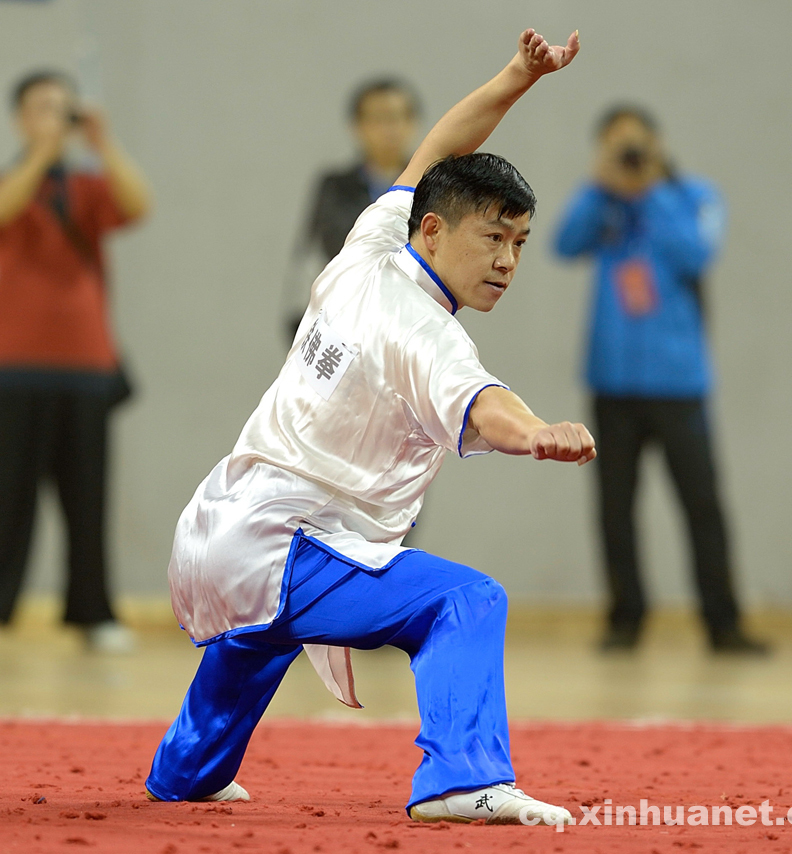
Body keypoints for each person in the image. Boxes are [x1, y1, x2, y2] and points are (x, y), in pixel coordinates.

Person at [146, 28, 589, 827]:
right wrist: (538, 432)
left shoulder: (373, 240)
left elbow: (440, 148)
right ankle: (461, 778)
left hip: (226, 525)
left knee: (260, 633)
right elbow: (486, 405)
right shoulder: (425, 331)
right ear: (434, 232)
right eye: (491, 238)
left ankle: (185, 770)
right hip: (288, 540)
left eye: (519, 242)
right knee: (464, 600)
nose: (507, 262)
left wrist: (518, 75)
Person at [553, 105, 768, 655]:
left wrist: (650, 190)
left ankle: (723, 623)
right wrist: (598, 184)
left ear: (659, 143)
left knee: (702, 503)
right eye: (616, 146)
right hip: (612, 381)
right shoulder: (601, 203)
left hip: (679, 381)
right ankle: (625, 619)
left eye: (636, 144)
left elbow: (696, 254)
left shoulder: (695, 196)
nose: (628, 155)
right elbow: (563, 244)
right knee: (615, 508)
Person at [0, 70, 151, 651]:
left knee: (86, 499)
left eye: (63, 108)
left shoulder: (87, 188)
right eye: (42, 107)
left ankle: (92, 613)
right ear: (20, 117)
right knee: (8, 500)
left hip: (87, 369)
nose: (54, 117)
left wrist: (102, 144)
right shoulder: (16, 179)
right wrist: (39, 152)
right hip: (15, 369)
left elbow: (138, 204)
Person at [282, 78, 421, 342]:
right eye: (378, 119)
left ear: (413, 123)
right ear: (357, 126)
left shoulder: (432, 186)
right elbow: (310, 260)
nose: (389, 128)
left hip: (410, 328)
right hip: (343, 327)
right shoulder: (335, 187)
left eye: (397, 117)